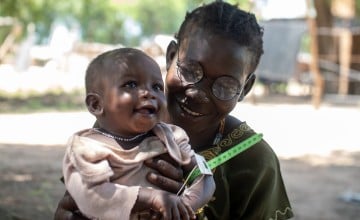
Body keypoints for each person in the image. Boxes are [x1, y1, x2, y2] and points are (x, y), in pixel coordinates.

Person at [55, 1, 294, 219]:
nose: (197, 93)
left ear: (245, 89)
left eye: (225, 86)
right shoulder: (123, 124)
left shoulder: (254, 162)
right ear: (171, 57)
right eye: (190, 71)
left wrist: (186, 206)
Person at [62, 47, 215, 220]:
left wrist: (183, 206)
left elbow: (204, 174)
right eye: (131, 84)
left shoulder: (170, 135)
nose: (149, 93)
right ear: (96, 104)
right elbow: (91, 196)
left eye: (157, 86)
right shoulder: (86, 147)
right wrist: (152, 198)